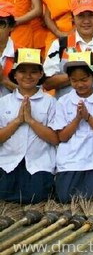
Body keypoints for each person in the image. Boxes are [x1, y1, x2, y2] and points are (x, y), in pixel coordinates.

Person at [49, 52, 93, 203]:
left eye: (84, 79)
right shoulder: (63, 102)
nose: (79, 84)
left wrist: (88, 117)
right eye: (74, 80)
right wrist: (78, 118)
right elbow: (62, 137)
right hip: (70, 160)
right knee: (67, 198)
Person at [0, 48, 58, 203]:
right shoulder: (3, 102)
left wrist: (31, 121)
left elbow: (55, 139)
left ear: (40, 74)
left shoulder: (51, 102)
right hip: (7, 162)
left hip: (39, 163)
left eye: (33, 71)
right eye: (22, 71)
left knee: (36, 197)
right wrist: (18, 120)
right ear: (14, 75)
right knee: (4, 195)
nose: (28, 76)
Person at [0, 3, 16, 97]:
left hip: (15, 110)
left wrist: (3, 80)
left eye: (1, 23)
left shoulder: (24, 53)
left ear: (11, 26)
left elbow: (33, 94)